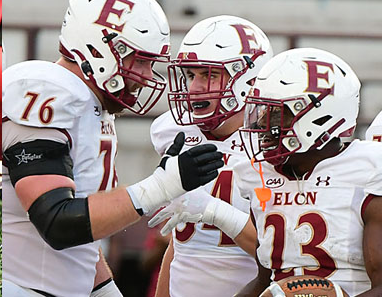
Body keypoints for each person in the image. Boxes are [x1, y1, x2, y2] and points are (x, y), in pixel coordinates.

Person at [2, 0, 221, 297]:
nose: (146, 74)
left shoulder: (93, 107)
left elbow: (83, 235)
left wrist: (105, 291)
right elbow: (56, 221)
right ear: (99, 50)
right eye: (140, 61)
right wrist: (160, 186)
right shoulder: (46, 91)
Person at [154, 48, 382, 295]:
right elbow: (265, 281)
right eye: (261, 110)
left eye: (276, 113)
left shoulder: (367, 170)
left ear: (319, 119)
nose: (261, 124)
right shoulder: (259, 176)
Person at [151, 16, 272, 296]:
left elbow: (279, 256)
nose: (194, 88)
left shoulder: (270, 146)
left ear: (247, 78)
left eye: (209, 74)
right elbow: (179, 244)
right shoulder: (173, 132)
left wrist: (216, 211)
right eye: (191, 75)